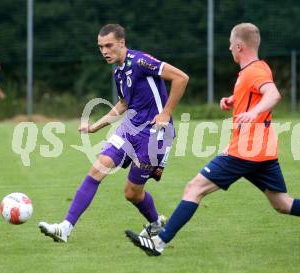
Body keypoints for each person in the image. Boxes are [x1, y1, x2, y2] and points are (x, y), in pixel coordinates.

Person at [125, 22, 300, 256]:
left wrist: (254, 112)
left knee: (194, 188)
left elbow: (273, 94)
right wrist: (235, 102)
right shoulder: (258, 68)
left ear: (239, 46)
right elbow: (257, 94)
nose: (229, 49)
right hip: (263, 149)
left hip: (246, 149)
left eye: (230, 45)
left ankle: (159, 242)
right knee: (282, 203)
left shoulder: (254, 71)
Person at [38, 24, 189, 242]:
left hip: (154, 135)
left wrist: (166, 113)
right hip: (130, 129)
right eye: (100, 47)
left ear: (122, 43)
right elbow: (123, 104)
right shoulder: (118, 71)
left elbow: (181, 78)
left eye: (108, 45)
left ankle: (155, 224)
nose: (104, 51)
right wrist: (94, 127)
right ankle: (65, 228)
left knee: (132, 193)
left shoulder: (140, 61)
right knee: (96, 169)